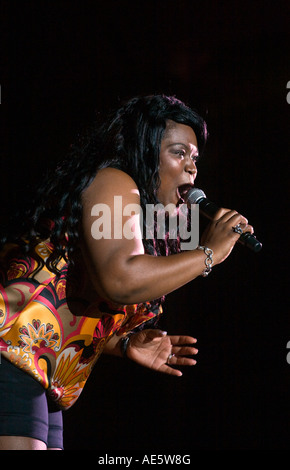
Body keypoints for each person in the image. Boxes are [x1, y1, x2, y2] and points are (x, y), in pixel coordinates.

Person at [0, 94, 253, 450]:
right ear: (145, 152)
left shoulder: (142, 217)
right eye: (179, 153)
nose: (192, 168)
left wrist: (121, 342)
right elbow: (121, 279)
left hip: (37, 367)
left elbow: (63, 297)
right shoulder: (115, 182)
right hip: (9, 350)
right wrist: (208, 253)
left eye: (194, 158)